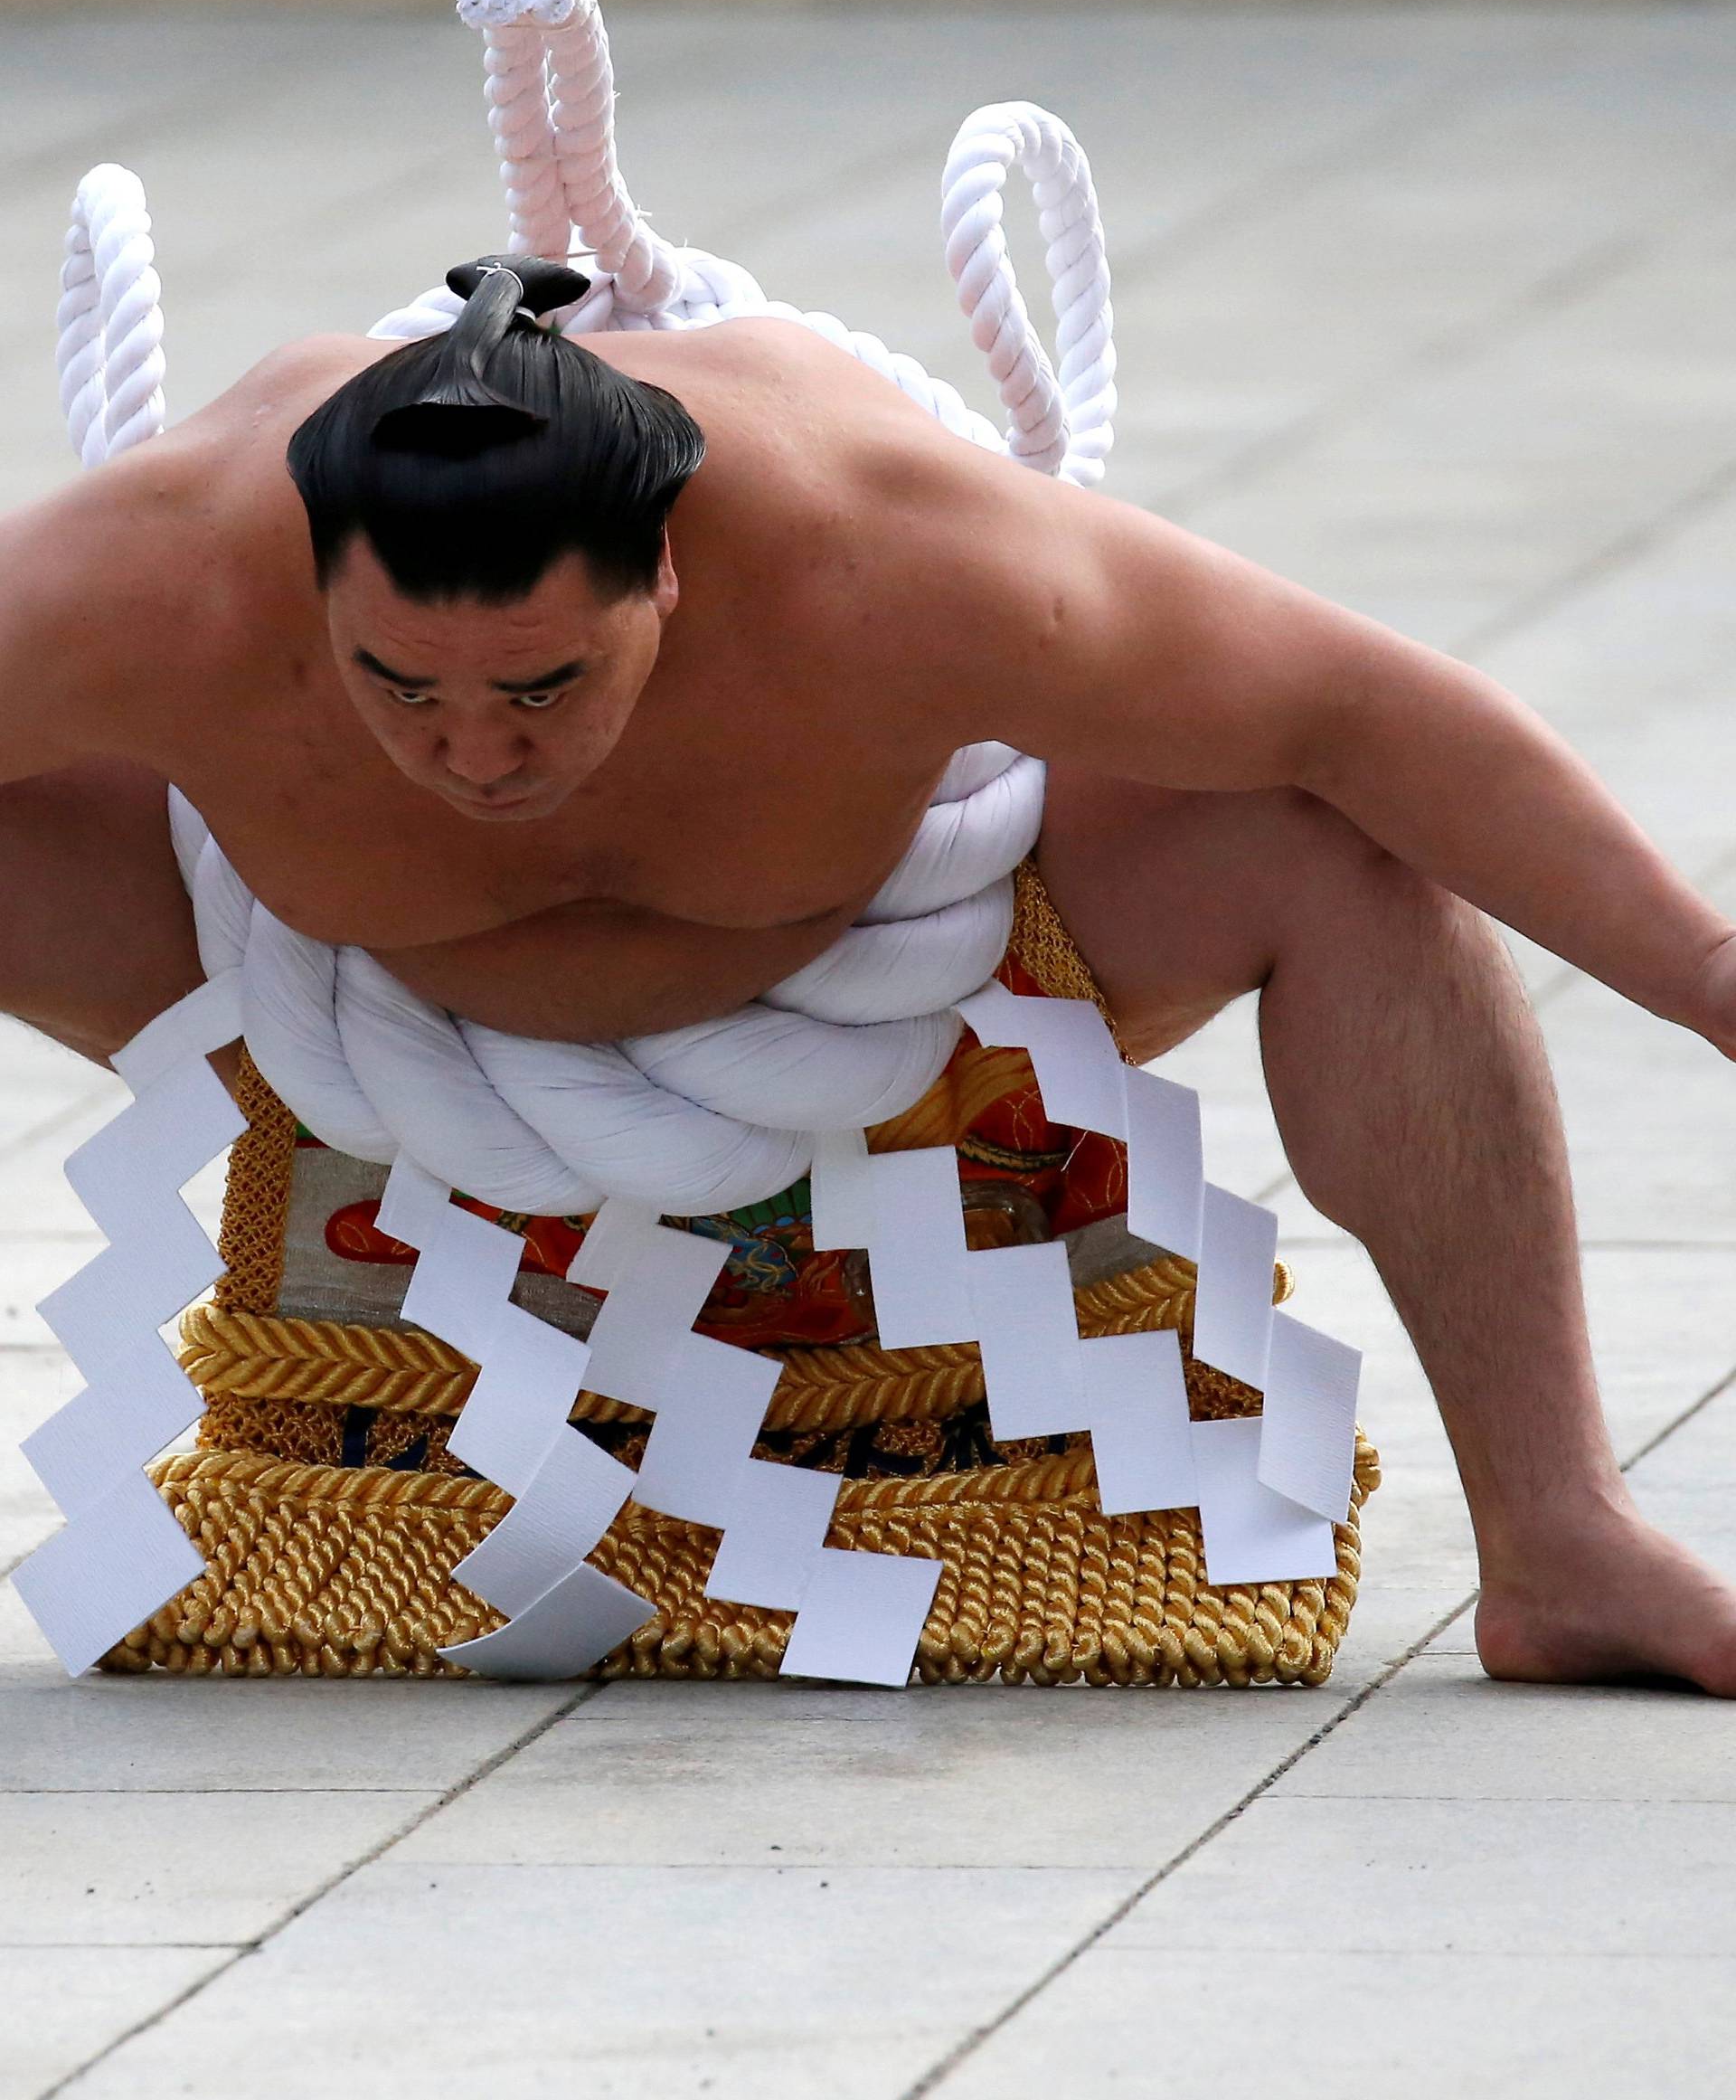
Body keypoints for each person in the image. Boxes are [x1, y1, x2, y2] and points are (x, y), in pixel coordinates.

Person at [4, 257, 1734, 1694]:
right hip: (337, 1030)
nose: (474, 755)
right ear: (309, 588)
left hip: (916, 1022)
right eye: (401, 688)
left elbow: (1365, 712)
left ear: (666, 573)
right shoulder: (161, 570)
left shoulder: (891, 550)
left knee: (1333, 835)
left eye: (540, 688)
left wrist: (1711, 976)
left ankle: (1562, 1534)